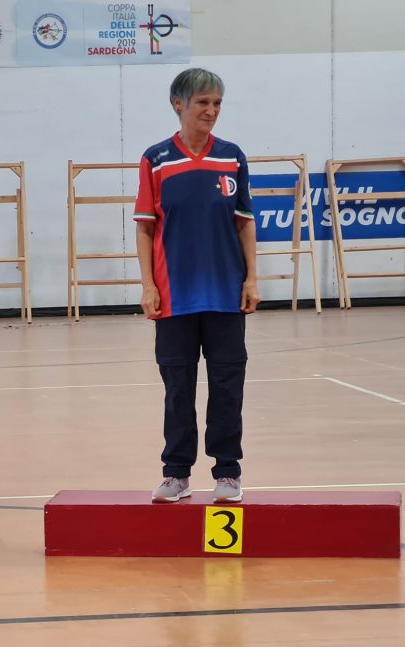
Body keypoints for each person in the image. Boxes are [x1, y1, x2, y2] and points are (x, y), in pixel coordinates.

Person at [133, 68, 260, 504]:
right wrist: (149, 286)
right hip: (173, 298)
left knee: (227, 386)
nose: (211, 111)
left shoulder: (232, 157)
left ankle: (227, 473)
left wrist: (251, 278)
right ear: (179, 104)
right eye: (203, 102)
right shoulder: (156, 159)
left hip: (226, 295)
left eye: (217, 103)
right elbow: (146, 227)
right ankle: (176, 474)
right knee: (178, 389)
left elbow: (244, 223)